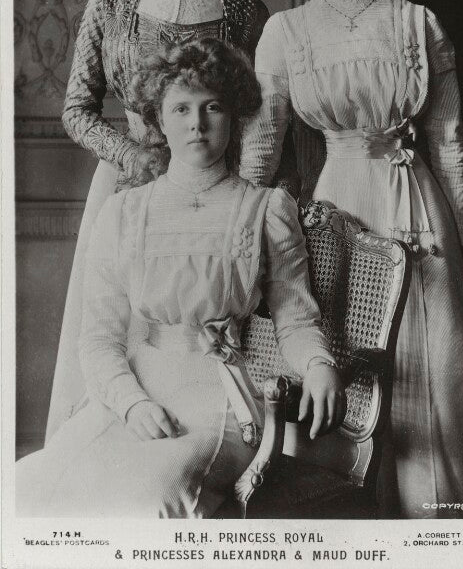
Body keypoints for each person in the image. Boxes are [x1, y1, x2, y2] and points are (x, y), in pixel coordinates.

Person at [239, 0, 463, 518]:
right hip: (336, 205)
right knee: (347, 357)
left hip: (417, 207)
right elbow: (262, 146)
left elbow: (448, 141)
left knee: (431, 362)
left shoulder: (417, 23)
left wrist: (460, 243)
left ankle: (437, 517)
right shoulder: (285, 33)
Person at [16, 38, 345, 518]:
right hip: (136, 386)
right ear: (159, 120)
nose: (197, 123)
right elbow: (99, 338)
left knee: (150, 501)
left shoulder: (265, 209)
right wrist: (131, 404)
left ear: (233, 118)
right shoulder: (124, 211)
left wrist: (317, 363)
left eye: (212, 107)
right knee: (27, 487)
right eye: (181, 108)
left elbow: (295, 318)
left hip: (219, 397)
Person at [46, 0, 270, 440]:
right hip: (124, 191)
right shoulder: (111, 2)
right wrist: (134, 157)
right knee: (112, 328)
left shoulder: (246, 11)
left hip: (213, 196)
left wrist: (238, 199)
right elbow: (77, 108)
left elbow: (254, 119)